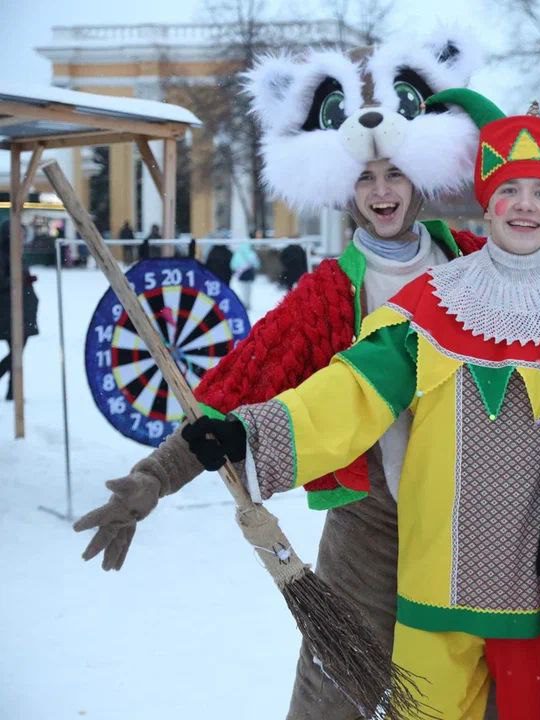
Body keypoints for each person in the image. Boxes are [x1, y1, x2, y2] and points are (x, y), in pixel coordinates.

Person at [182, 88, 540, 720]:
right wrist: (243, 435)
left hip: (539, 573)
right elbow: (340, 389)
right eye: (510, 191)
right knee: (385, 690)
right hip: (410, 545)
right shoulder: (424, 299)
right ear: (486, 201)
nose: (525, 206)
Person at [71, 31, 493, 720]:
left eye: (393, 174)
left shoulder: (475, 264)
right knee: (336, 690)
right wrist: (155, 477)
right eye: (365, 178)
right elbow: (238, 390)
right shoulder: (329, 294)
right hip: (371, 527)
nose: (381, 190)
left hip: (474, 518)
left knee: (477, 687)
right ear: (344, 189)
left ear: (418, 177)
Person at [0, 219, 40, 400]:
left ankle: (12, 391)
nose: (22, 238)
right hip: (9, 310)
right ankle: (11, 390)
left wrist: (26, 280)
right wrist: (20, 280)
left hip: (22, 310)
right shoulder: (3, 255)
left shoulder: (18, 254)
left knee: (17, 352)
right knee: (16, 351)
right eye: (19, 235)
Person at [230, 239, 261, 309]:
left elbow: (233, 265)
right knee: (248, 290)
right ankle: (248, 303)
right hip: (250, 275)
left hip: (241, 275)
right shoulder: (251, 253)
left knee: (242, 289)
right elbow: (257, 264)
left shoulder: (237, 254)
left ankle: (244, 303)